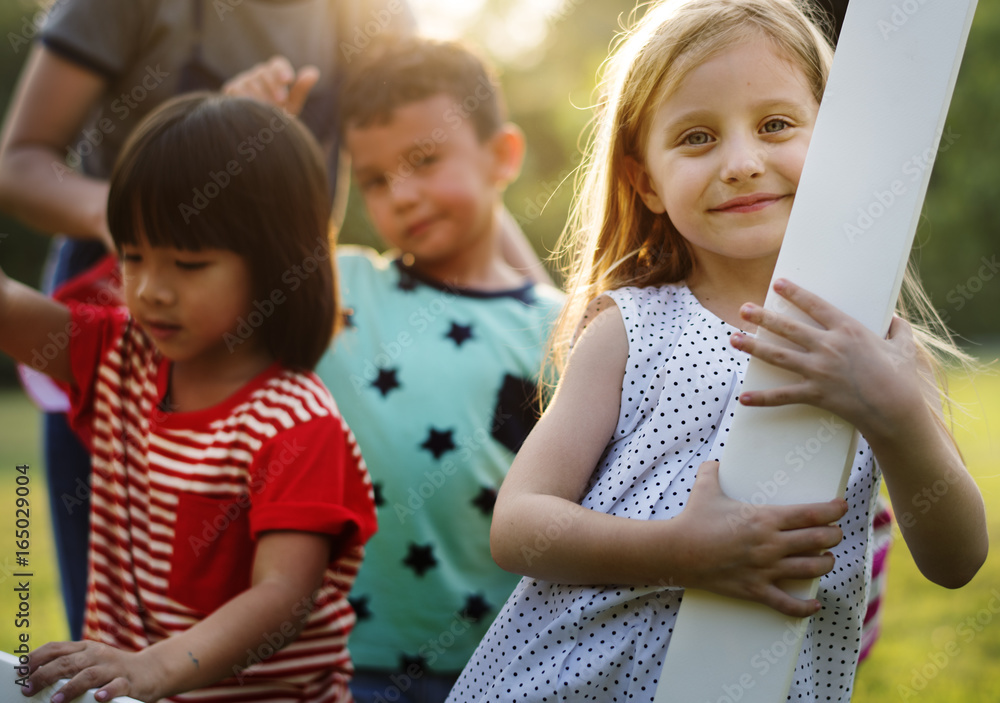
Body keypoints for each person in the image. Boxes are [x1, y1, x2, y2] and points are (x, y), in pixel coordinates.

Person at [446, 0, 989, 701]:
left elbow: (956, 560)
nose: (741, 163)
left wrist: (894, 411)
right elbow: (520, 525)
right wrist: (680, 550)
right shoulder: (630, 329)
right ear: (646, 180)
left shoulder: (879, 349)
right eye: (698, 137)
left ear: (834, 136)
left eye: (775, 125)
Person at [0, 0, 413, 640]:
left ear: (273, 259)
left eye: (188, 262)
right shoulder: (116, 361)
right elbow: (19, 164)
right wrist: (192, 170)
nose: (154, 291)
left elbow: (277, 599)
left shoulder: (296, 427)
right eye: (135, 256)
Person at [313, 38, 564, 703]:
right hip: (344, 666)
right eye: (373, 178)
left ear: (503, 156)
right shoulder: (339, 287)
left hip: (508, 669)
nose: (401, 194)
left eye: (424, 160)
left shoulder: (565, 328)